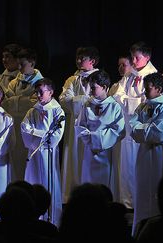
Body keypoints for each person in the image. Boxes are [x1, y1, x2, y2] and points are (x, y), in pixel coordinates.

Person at [129, 73, 163, 233]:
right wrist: (147, 129)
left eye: (148, 89)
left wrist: (143, 129)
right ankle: (140, 227)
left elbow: (160, 132)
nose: (144, 92)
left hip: (159, 153)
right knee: (143, 189)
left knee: (157, 188)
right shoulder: (143, 106)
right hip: (144, 153)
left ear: (159, 89)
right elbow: (132, 128)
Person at [114, 42, 158, 209]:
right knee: (126, 164)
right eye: (131, 56)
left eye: (137, 57)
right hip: (127, 125)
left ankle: (142, 202)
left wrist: (128, 102)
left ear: (147, 58)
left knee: (140, 163)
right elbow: (118, 94)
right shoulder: (129, 75)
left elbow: (146, 103)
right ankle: (127, 201)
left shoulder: (152, 75)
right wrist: (129, 102)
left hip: (141, 124)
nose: (133, 60)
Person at [21, 78, 65, 226]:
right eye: (37, 92)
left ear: (51, 92)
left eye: (41, 92)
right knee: (33, 180)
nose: (38, 95)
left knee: (48, 181)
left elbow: (56, 135)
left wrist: (36, 134)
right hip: (34, 153)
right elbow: (24, 128)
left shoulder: (57, 111)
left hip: (48, 153)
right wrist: (41, 134)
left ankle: (51, 218)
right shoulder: (33, 110)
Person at [75, 70, 125, 199]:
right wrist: (90, 139)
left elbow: (118, 130)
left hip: (106, 151)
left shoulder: (114, 107)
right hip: (89, 150)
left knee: (105, 185)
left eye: (93, 88)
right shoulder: (87, 105)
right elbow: (80, 126)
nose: (90, 90)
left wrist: (97, 138)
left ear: (104, 87)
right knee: (89, 183)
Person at [59, 46, 99, 202]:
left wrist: (78, 99)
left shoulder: (99, 77)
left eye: (82, 58)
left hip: (91, 123)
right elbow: (64, 100)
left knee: (88, 156)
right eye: (78, 58)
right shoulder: (71, 79)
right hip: (74, 124)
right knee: (74, 156)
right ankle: (72, 194)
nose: (78, 61)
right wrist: (84, 99)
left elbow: (97, 100)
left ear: (92, 61)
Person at [2, 48, 44, 183]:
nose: (19, 67)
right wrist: (23, 100)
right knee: (16, 159)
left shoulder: (41, 83)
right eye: (18, 64)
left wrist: (16, 100)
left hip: (32, 127)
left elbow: (34, 104)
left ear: (32, 63)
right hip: (15, 125)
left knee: (31, 161)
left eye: (22, 64)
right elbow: (6, 102)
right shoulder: (14, 82)